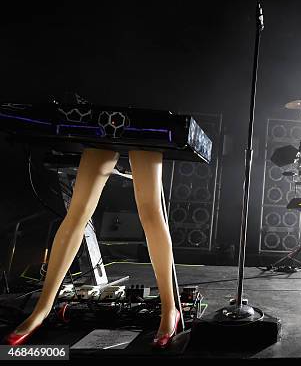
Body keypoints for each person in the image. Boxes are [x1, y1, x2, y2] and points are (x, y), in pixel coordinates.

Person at [4, 148, 180, 349]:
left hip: (144, 124)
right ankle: (41, 309)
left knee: (151, 212)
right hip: (105, 124)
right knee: (77, 211)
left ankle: (169, 309)